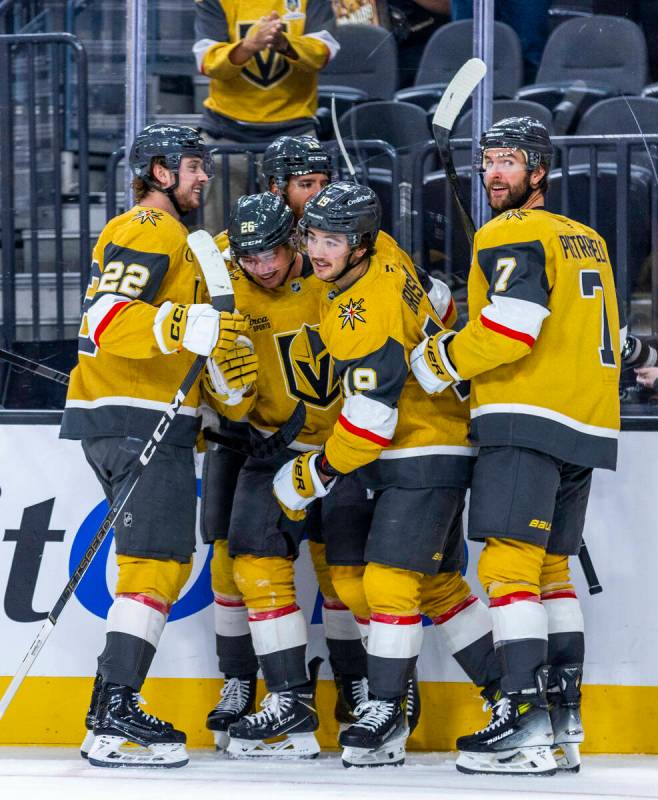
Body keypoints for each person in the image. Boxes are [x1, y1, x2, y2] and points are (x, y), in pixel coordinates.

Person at [410, 117, 622, 775]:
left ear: (540, 171)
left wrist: (438, 359)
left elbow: (513, 328)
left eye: (510, 161)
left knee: (507, 573)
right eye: (489, 160)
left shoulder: (510, 231)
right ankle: (562, 729)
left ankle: (523, 728)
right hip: (584, 425)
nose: (494, 172)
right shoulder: (586, 239)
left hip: (524, 419)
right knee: (550, 573)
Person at [274, 181, 502, 768]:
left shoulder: (363, 314)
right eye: (312, 237)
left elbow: (371, 422)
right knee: (433, 586)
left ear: (359, 244)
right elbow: (442, 301)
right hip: (427, 439)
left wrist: (314, 472)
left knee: (388, 583)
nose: (318, 251)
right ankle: (513, 696)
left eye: (333, 240)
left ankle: (386, 709)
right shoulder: (389, 254)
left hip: (421, 444)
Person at [59, 123, 250, 768]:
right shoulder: (148, 229)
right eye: (194, 165)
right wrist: (183, 322)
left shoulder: (178, 239)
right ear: (161, 171)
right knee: (155, 566)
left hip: (141, 418)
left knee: (157, 563)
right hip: (134, 418)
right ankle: (113, 717)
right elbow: (107, 318)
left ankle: (107, 712)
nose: (204, 176)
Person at [202, 191, 376, 758]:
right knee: (248, 564)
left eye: (271, 253)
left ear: (295, 239)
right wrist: (227, 389)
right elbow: (231, 402)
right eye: (250, 259)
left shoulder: (339, 270)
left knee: (348, 579)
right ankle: (288, 698)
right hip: (273, 447)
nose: (263, 267)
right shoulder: (227, 290)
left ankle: (367, 686)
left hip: (347, 448)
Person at [193, 0, 339, 232]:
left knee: (301, 231)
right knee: (220, 234)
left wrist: (284, 43)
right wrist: (249, 46)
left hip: (295, 135)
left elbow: (323, 52)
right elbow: (207, 61)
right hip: (227, 133)